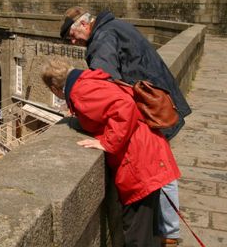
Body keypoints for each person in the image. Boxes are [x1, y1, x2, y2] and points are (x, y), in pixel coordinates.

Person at [60, 7, 191, 246]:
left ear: (84, 24)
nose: (72, 40)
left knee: (159, 170)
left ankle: (169, 234)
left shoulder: (102, 41)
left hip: (151, 110)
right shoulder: (115, 26)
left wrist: (102, 133)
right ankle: (169, 231)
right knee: (162, 167)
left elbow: (108, 88)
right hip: (161, 101)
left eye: (71, 34)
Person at [41, 58, 180, 246]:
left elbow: (125, 106)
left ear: (55, 89)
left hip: (139, 161)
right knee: (148, 230)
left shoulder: (80, 92)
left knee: (136, 234)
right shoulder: (87, 80)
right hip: (148, 151)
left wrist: (108, 143)